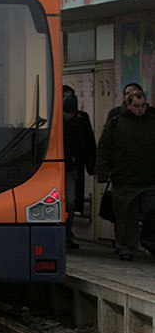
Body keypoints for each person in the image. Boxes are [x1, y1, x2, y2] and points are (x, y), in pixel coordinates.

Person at [96, 90, 155, 261]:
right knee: (126, 217)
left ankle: (148, 242)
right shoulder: (115, 123)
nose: (140, 109)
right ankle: (125, 247)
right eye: (136, 106)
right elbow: (104, 149)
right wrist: (103, 173)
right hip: (124, 179)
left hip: (149, 178)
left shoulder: (152, 121)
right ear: (128, 105)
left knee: (152, 210)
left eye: (143, 106)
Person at [62, 93, 95, 249]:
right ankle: (64, 234)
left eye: (71, 113)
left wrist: (91, 165)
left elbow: (88, 142)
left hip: (70, 168)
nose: (68, 116)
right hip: (55, 167)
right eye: (66, 113)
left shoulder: (81, 120)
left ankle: (67, 234)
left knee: (70, 201)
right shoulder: (55, 120)